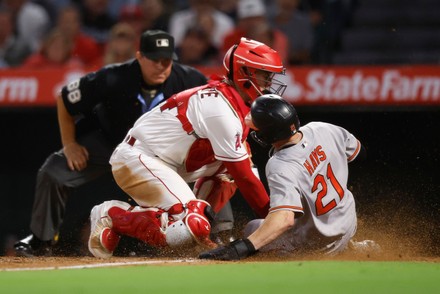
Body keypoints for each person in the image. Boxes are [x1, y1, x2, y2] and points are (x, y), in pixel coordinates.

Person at [87, 37, 288, 258]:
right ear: (244, 72)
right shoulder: (221, 109)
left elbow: (246, 172)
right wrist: (276, 220)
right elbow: (246, 179)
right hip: (139, 158)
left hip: (168, 162)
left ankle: (198, 229)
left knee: (238, 163)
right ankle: (113, 215)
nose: (269, 82)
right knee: (191, 227)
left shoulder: (234, 103)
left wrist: (276, 214)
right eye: (265, 75)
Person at [14, 30, 208, 257]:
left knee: (213, 168)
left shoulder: (191, 80)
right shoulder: (113, 77)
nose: (161, 66)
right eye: (154, 60)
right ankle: (41, 240)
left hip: (160, 154)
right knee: (53, 171)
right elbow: (65, 99)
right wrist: (69, 144)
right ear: (139, 57)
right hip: (109, 143)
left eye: (166, 61)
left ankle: (213, 234)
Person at [199, 94, 367, 260]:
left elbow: (284, 220)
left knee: (252, 229)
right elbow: (359, 154)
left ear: (268, 134)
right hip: (349, 221)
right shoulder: (322, 128)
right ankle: (352, 245)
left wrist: (242, 247)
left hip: (320, 244)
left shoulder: (280, 164)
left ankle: (336, 252)